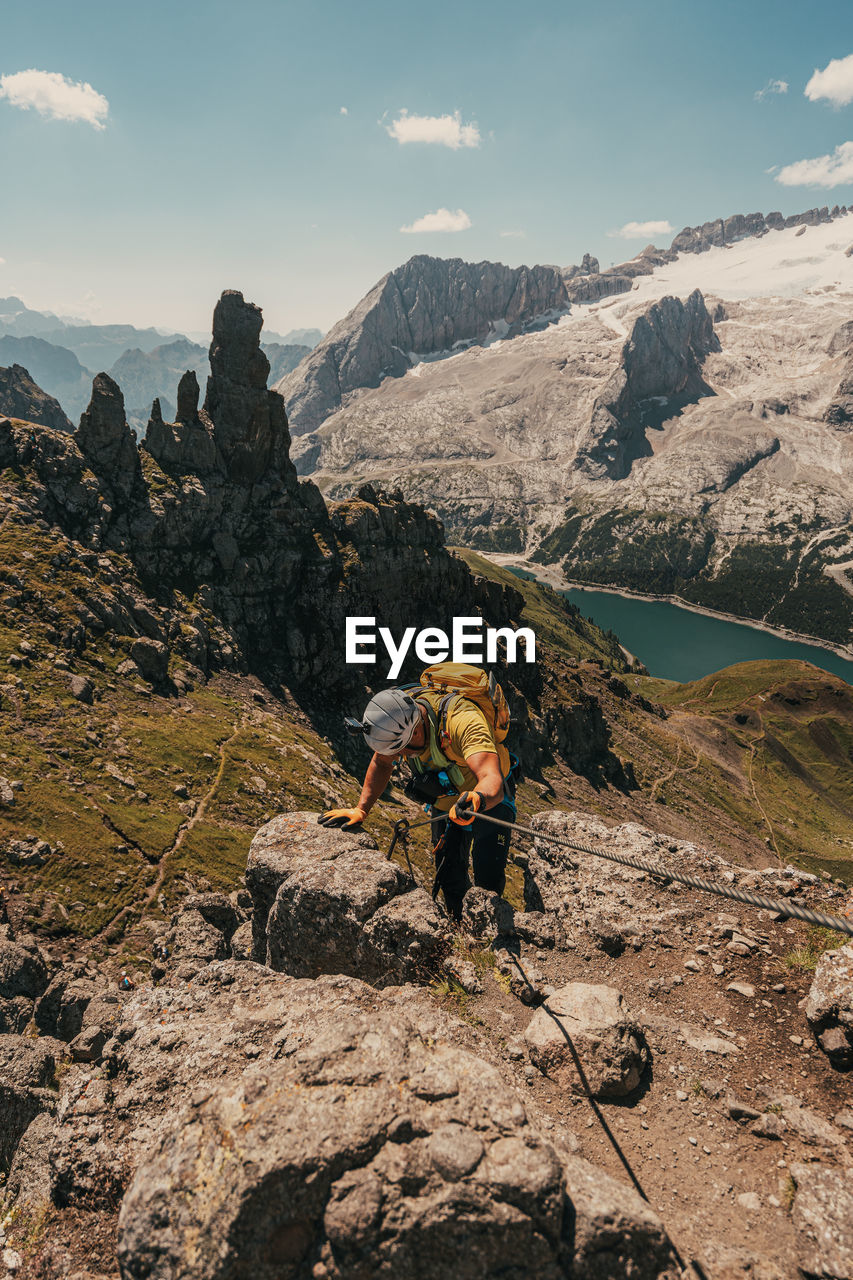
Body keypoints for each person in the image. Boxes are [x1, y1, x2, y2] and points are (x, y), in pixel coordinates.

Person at [320, 671, 517, 921]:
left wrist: (478, 798)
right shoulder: (398, 724)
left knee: (487, 878)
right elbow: (382, 763)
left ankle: (492, 939)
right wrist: (361, 809)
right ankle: (462, 935)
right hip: (447, 804)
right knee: (449, 877)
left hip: (489, 802)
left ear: (414, 732)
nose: (401, 757)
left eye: (403, 751)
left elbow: (492, 779)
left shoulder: (463, 721)